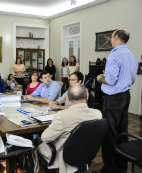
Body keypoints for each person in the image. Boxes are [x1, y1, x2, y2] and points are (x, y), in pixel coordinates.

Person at [94, 30, 137, 173]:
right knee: (122, 132)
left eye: (111, 37)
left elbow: (111, 81)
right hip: (125, 96)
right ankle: (121, 167)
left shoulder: (114, 54)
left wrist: (100, 78)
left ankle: (109, 169)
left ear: (116, 37)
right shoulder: (131, 56)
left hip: (114, 99)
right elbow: (133, 79)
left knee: (110, 133)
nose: (111, 39)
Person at [37, 84, 102, 173]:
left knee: (37, 143)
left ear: (68, 98)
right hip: (87, 154)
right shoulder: (98, 114)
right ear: (87, 96)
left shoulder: (62, 115)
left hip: (63, 158)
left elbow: (45, 137)